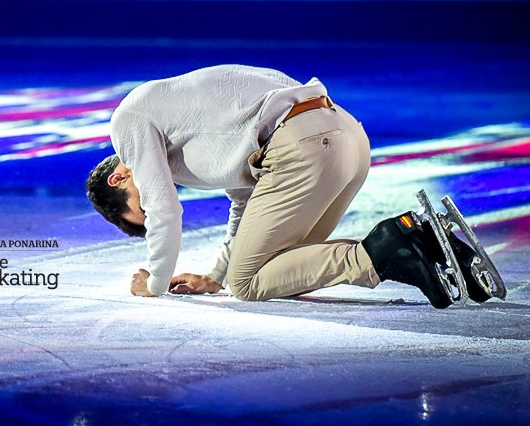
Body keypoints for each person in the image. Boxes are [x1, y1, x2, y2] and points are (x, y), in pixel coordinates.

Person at [85, 64, 485, 308]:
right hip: (346, 138)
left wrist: (155, 283)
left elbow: (166, 211)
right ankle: (426, 241)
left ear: (118, 178)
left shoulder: (128, 123)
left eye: (141, 205)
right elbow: (247, 200)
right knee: (284, 268)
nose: (154, 198)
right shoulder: (182, 132)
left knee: (249, 284)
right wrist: (217, 274)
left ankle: (384, 250)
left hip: (303, 145)